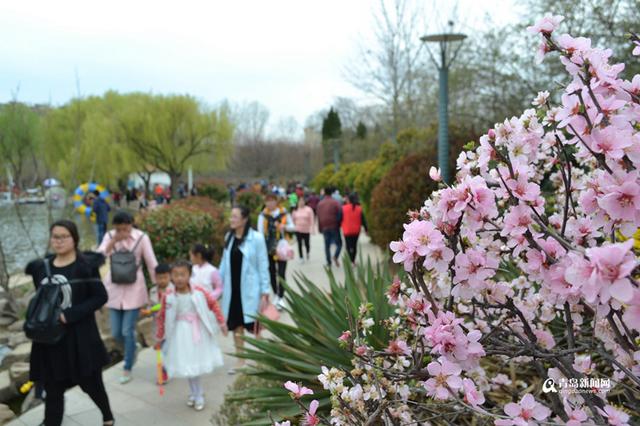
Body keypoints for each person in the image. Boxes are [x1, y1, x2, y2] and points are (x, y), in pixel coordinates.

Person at [25, 220, 114, 426]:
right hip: (50, 341)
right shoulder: (42, 267)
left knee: (92, 385)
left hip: (81, 339)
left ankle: (107, 416)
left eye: (64, 236)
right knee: (53, 389)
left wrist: (70, 314)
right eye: (55, 237)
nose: (59, 241)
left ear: (74, 239)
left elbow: (100, 297)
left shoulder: (85, 267)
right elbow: (41, 300)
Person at [156, 260, 228, 411]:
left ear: (189, 275)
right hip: (180, 335)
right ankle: (194, 393)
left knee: (194, 365)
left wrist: (222, 323)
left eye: (183, 274)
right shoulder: (168, 296)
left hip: (196, 333)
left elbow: (213, 304)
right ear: (171, 277)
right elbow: (162, 316)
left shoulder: (199, 291)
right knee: (187, 365)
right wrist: (159, 336)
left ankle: (198, 394)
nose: (179, 278)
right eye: (175, 275)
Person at [98, 210, 158, 384]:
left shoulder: (141, 238)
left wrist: (157, 288)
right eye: (119, 228)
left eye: (126, 227)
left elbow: (151, 263)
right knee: (116, 332)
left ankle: (127, 366)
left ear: (131, 224)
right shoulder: (110, 236)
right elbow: (99, 256)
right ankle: (134, 348)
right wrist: (113, 241)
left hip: (134, 289)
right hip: (114, 289)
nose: (123, 231)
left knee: (127, 330)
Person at [219, 205, 271, 374]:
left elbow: (263, 264)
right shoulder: (229, 237)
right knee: (237, 325)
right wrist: (216, 284)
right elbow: (223, 264)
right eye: (231, 216)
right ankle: (240, 359)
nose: (231, 219)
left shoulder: (256, 238)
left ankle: (260, 358)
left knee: (255, 325)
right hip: (233, 289)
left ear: (244, 219)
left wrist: (265, 289)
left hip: (251, 289)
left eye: (235, 216)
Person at [257, 194, 294, 309]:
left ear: (276, 202)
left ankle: (281, 297)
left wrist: (284, 227)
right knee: (271, 272)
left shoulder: (284, 213)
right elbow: (260, 232)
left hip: (281, 247)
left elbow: (293, 227)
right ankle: (277, 295)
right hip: (269, 248)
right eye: (268, 201)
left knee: (282, 273)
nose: (270, 203)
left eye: (272, 201)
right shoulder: (263, 216)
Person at [144, 263, 173, 384]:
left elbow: (165, 305)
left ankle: (170, 368)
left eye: (165, 277)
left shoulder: (173, 289)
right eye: (159, 278)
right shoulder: (153, 291)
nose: (162, 280)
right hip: (158, 326)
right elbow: (151, 305)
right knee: (161, 352)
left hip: (171, 326)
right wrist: (148, 310)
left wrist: (152, 309)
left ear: (169, 276)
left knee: (168, 350)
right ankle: (163, 373)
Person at [317, 186, 343, 268]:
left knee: (327, 245)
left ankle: (328, 262)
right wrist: (339, 224)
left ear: (324, 193)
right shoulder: (335, 203)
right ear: (331, 193)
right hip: (334, 226)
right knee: (339, 244)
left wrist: (320, 227)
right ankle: (336, 256)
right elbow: (340, 213)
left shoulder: (320, 204)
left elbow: (319, 216)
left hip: (325, 226)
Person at [341, 193, 368, 266]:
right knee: (354, 245)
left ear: (348, 200)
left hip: (347, 230)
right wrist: (366, 229)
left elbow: (339, 218)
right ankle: (353, 260)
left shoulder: (343, 208)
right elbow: (363, 220)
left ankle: (350, 259)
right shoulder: (359, 208)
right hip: (356, 230)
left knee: (348, 246)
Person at [292, 197, 314, 263]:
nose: (301, 203)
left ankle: (307, 252)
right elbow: (293, 220)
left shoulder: (309, 209)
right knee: (299, 244)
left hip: (306, 230)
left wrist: (312, 228)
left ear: (304, 202)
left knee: (307, 244)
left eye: (302, 201)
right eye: (300, 201)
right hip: (298, 229)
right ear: (298, 202)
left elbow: (311, 219)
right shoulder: (295, 210)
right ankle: (301, 257)